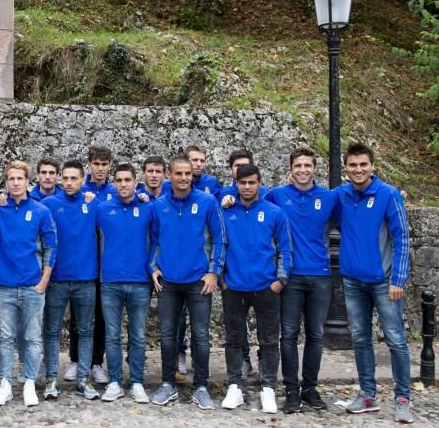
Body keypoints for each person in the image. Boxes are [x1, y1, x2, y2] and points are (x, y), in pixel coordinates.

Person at [335, 143, 413, 424]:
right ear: (346, 168)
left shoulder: (388, 195)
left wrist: (399, 279)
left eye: (363, 165)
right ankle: (368, 394)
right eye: (353, 165)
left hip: (384, 282)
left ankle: (403, 397)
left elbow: (402, 238)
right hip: (353, 280)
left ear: (372, 166)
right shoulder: (342, 195)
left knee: (395, 340)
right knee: (360, 339)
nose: (358, 170)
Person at [150, 155, 226, 409]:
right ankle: (168, 384)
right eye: (178, 173)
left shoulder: (207, 202)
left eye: (188, 173)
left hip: (198, 281)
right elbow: (154, 240)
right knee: (168, 335)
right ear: (169, 176)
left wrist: (214, 271)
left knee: (201, 336)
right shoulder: (159, 205)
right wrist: (153, 267)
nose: (184, 178)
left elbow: (219, 238)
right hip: (169, 281)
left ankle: (201, 386)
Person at [266, 147, 336, 413]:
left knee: (316, 335)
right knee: (289, 335)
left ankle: (310, 388)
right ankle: (291, 390)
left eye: (308, 165)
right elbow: (248, 198)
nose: (303, 170)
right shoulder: (277, 196)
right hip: (291, 277)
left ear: (315, 168)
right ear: (290, 169)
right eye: (298, 166)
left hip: (320, 275)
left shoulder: (329, 198)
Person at [219, 164, 292, 414]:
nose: (247, 187)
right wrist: (222, 280)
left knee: (269, 340)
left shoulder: (274, 213)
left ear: (260, 183)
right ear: (236, 183)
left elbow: (285, 248)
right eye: (243, 183)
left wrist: (280, 280)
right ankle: (234, 387)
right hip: (234, 286)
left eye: (252, 182)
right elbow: (217, 246)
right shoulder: (226, 211)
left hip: (265, 286)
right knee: (233, 339)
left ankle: (268, 388)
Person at [0, 161, 57, 408]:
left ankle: (29, 382)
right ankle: (5, 384)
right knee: (6, 337)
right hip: (5, 285)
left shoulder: (41, 211)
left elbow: (51, 246)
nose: (15, 183)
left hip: (32, 285)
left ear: (28, 182)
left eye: (20, 178)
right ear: (6, 182)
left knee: (32, 338)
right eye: (11, 179)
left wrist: (44, 280)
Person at [96, 163, 155, 404]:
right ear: (114, 183)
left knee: (138, 335)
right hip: (110, 281)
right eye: (119, 180)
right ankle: (115, 382)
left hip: (140, 281)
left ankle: (138, 382)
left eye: (127, 180)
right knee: (112, 335)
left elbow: (160, 238)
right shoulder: (102, 209)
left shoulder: (148, 208)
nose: (123, 184)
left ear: (135, 182)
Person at [42, 160, 99, 400]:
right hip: (57, 279)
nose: (68, 183)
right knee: (52, 331)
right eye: (64, 178)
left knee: (86, 330)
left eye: (74, 178)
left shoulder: (93, 204)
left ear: (83, 180)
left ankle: (84, 379)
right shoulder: (48, 205)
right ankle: (51, 379)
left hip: (86, 279)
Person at [71, 145, 115, 385]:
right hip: (82, 262)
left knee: (101, 315)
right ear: (89, 165)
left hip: (106, 265)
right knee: (79, 315)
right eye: (96, 164)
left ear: (110, 166)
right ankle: (77, 360)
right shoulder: (80, 188)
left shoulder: (114, 191)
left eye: (104, 164)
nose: (100, 168)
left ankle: (97, 362)